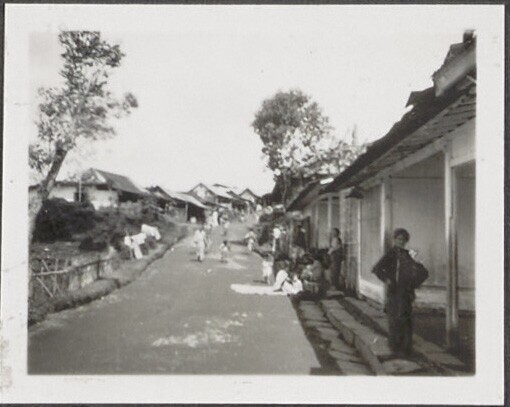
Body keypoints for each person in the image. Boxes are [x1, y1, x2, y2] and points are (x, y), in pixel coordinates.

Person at [372, 228, 429, 356]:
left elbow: (423, 271)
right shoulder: (391, 254)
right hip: (394, 292)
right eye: (399, 239)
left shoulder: (409, 254)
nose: (401, 242)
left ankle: (406, 348)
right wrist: (387, 280)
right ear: (394, 240)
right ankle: (395, 347)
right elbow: (377, 269)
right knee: (395, 319)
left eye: (403, 239)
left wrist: (415, 283)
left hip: (406, 292)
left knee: (406, 319)